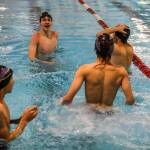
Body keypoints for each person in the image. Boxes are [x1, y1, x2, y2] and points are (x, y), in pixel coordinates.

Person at [60, 34, 135, 110]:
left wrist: (59, 103)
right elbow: (130, 100)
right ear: (112, 50)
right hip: (109, 115)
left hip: (88, 115)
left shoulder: (84, 69)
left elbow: (68, 99)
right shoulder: (121, 72)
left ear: (95, 49)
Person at [0, 65, 38, 142]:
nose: (14, 81)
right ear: (3, 83)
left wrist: (18, 120)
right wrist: (24, 121)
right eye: (11, 79)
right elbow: (7, 139)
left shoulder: (2, 102)